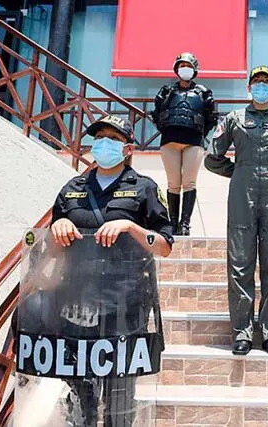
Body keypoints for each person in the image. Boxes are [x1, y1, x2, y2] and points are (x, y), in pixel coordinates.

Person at [50, 115, 173, 426]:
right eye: (99, 136)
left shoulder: (144, 189)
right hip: (77, 303)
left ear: (128, 148)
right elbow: (49, 247)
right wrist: (58, 226)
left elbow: (163, 245)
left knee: (119, 398)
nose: (103, 143)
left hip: (126, 304)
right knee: (81, 393)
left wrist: (131, 227)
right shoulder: (72, 188)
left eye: (112, 138)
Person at [204, 65, 268, 356]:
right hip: (242, 194)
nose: (261, 86)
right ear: (249, 87)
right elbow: (213, 158)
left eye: (267, 83)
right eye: (257, 82)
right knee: (240, 264)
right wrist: (239, 172)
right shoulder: (234, 119)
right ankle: (242, 332)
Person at [151, 52, 217, 236]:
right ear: (176, 68)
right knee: (173, 183)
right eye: (181, 65)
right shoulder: (166, 91)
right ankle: (172, 223)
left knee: (189, 182)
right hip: (169, 141)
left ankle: (185, 223)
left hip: (193, 142)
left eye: (188, 65)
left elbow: (211, 117)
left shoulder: (204, 92)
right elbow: (156, 114)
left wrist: (201, 134)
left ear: (194, 68)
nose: (184, 69)